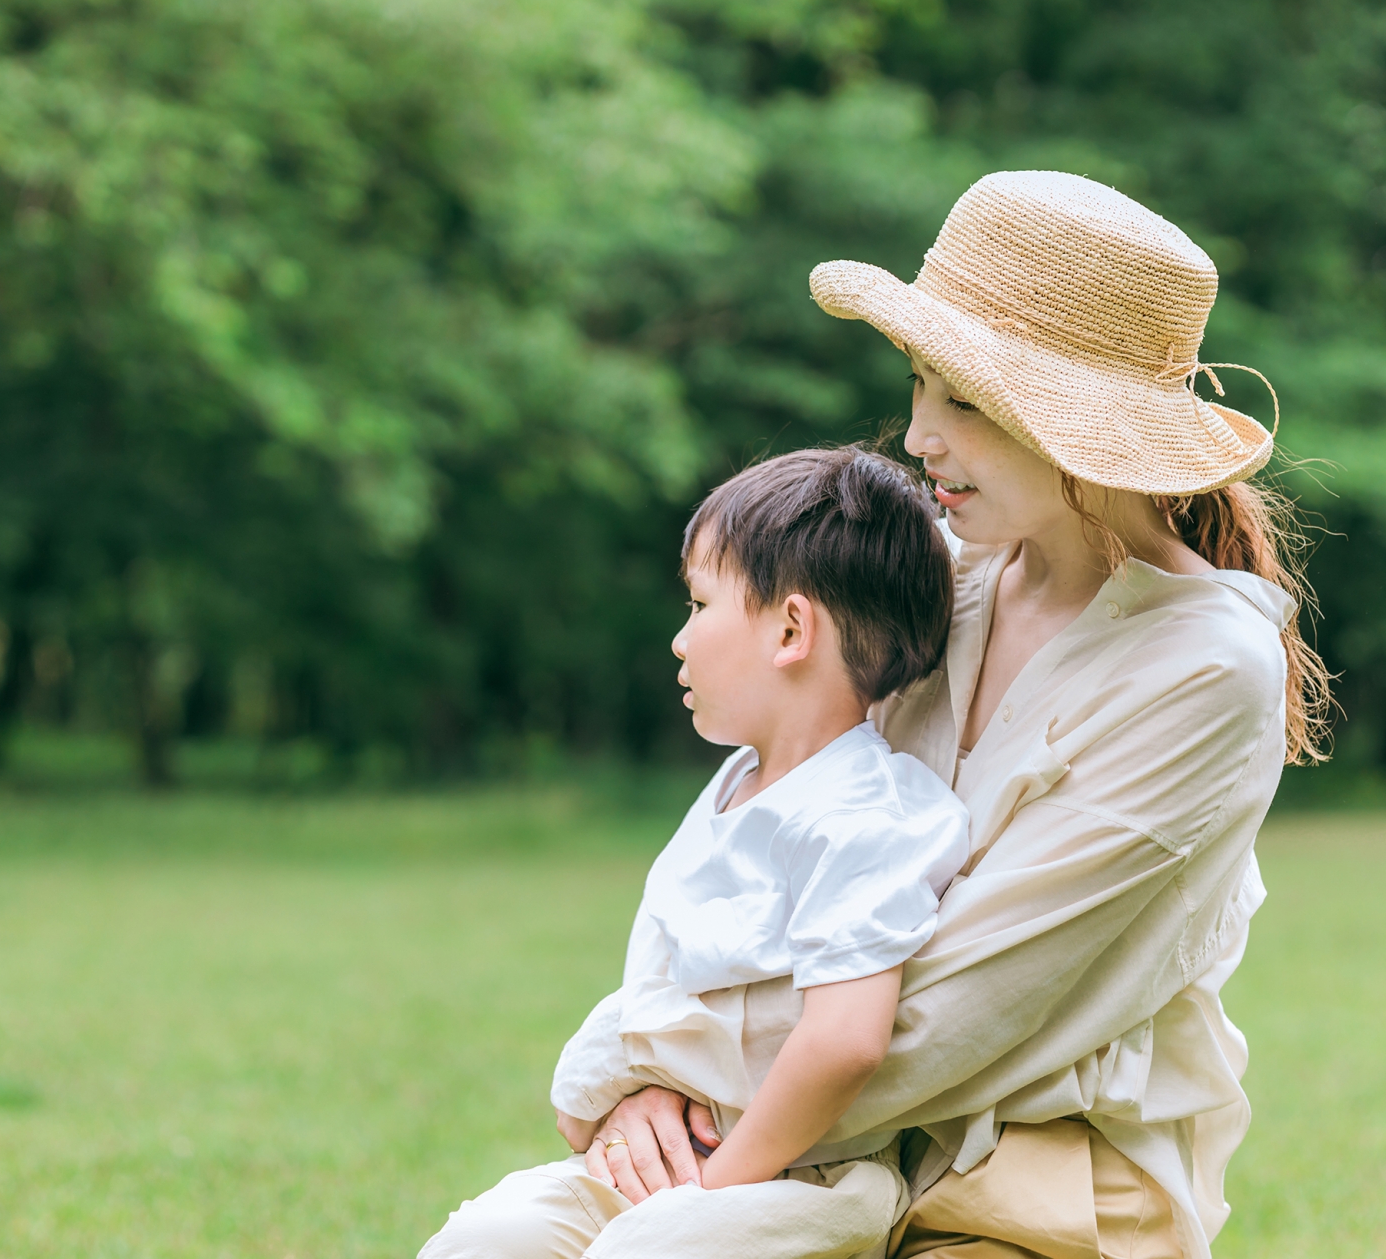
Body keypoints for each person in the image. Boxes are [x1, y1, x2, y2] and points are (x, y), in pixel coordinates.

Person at [568, 170, 1333, 1259]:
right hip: (814, 1143)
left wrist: (680, 1090)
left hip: (1038, 1179)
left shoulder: (1205, 666)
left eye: (965, 400)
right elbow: (739, 851)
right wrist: (634, 1078)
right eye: (922, 386)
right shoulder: (938, 580)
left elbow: (961, 1004)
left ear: (1078, 424)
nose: (921, 436)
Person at [419, 446, 974, 1259]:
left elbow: (846, 1039)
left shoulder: (862, 815)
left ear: (791, 630)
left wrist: (715, 1191)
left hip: (796, 1176)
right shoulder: (736, 784)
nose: (680, 641)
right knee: (481, 1241)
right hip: (674, 1153)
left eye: (699, 605)